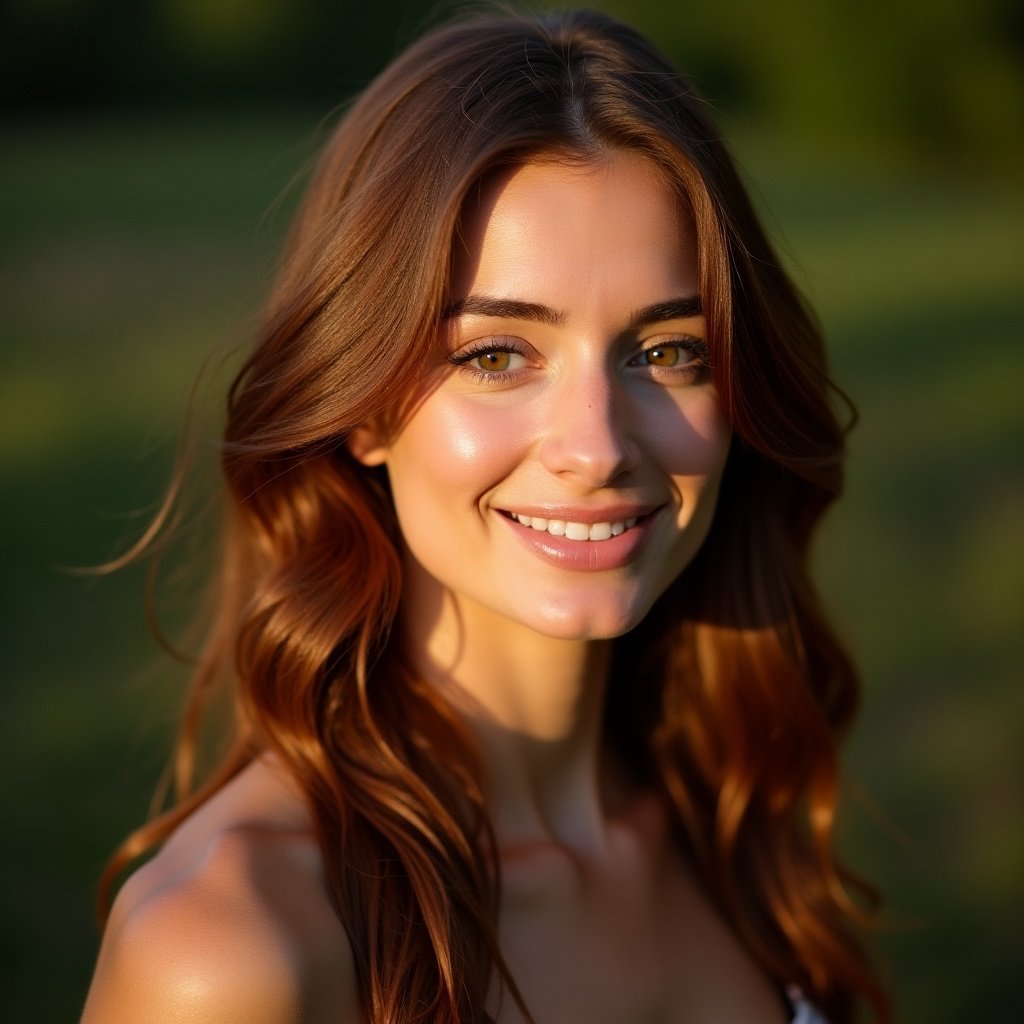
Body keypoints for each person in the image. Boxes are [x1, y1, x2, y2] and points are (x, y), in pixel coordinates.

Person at [81, 8, 889, 1023]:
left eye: (667, 351)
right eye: (496, 355)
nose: (595, 446)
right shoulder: (237, 948)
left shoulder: (727, 808)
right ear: (363, 407)